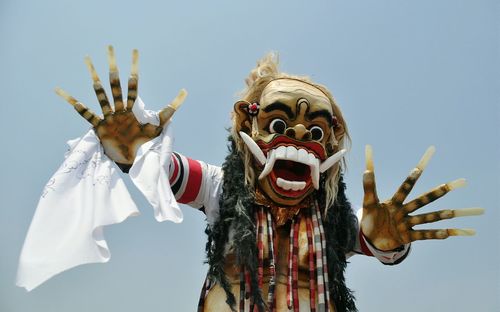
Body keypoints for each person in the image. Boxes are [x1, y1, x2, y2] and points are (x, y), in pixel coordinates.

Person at [17, 46, 483, 312]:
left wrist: (389, 239)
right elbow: (171, 174)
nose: (299, 134)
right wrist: (135, 152)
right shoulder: (223, 187)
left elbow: (377, 243)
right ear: (248, 125)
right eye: (279, 124)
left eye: (316, 131)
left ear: (333, 144)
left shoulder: (332, 216)